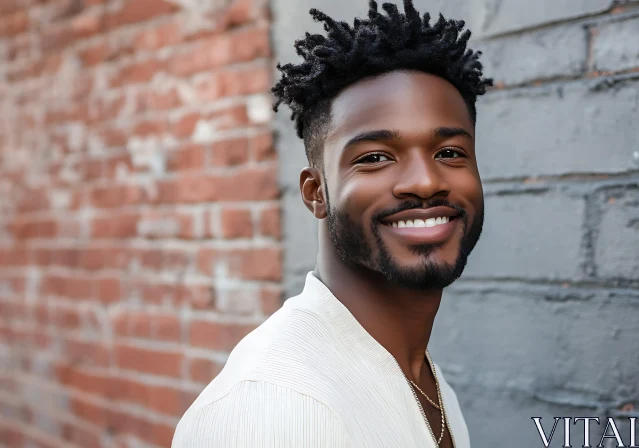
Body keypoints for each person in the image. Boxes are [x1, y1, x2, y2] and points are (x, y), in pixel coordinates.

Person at [172, 0, 492, 446]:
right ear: (315, 192)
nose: (425, 181)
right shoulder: (275, 409)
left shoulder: (425, 382)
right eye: (375, 157)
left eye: (450, 153)